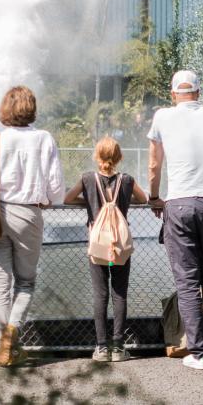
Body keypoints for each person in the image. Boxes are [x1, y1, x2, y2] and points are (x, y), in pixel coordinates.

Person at [147, 70, 203, 370]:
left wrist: (154, 196)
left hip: (179, 203)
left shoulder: (162, 117)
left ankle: (199, 352)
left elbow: (155, 163)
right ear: (198, 92)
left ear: (173, 93)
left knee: (187, 281)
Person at [0, 85, 65, 367]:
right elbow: (55, 186)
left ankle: (3, 341)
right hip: (28, 214)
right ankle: (13, 331)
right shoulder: (44, 138)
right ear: (31, 108)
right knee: (26, 281)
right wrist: (50, 201)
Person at [64, 136, 148, 362]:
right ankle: (119, 347)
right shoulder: (127, 180)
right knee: (119, 294)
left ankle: (101, 348)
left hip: (99, 246)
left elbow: (68, 198)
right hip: (118, 248)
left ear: (97, 156)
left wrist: (91, 204)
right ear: (119, 157)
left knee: (100, 294)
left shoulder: (87, 179)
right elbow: (144, 198)